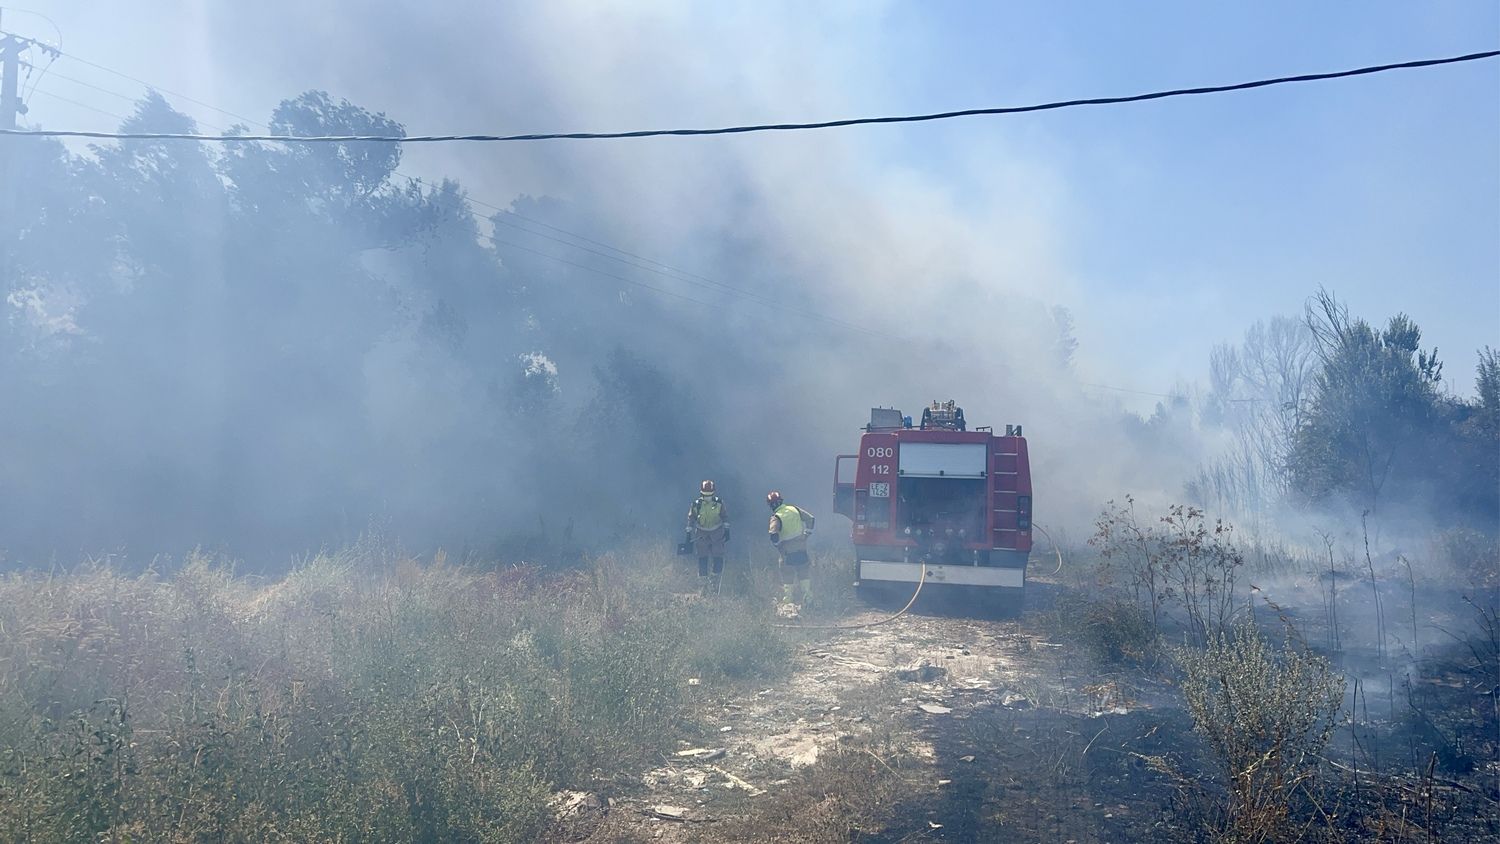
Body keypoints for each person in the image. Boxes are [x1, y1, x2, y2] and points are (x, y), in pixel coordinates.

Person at [766, 490, 816, 607]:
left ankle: (788, 600)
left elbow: (773, 535)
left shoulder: (776, 517)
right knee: (803, 573)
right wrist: (806, 534)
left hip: (787, 552)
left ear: (771, 505)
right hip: (801, 549)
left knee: (787, 574)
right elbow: (811, 519)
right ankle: (808, 598)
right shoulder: (795, 509)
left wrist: (778, 546)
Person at [686, 480, 730, 595]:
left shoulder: (719, 503)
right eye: (705, 495)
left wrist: (727, 530)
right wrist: (688, 533)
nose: (707, 497)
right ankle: (703, 589)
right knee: (702, 559)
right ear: (701, 494)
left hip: (717, 533)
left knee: (718, 558)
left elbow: (725, 517)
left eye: (709, 495)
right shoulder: (696, 505)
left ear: (713, 493)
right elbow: (691, 519)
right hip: (701, 534)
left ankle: (715, 587)